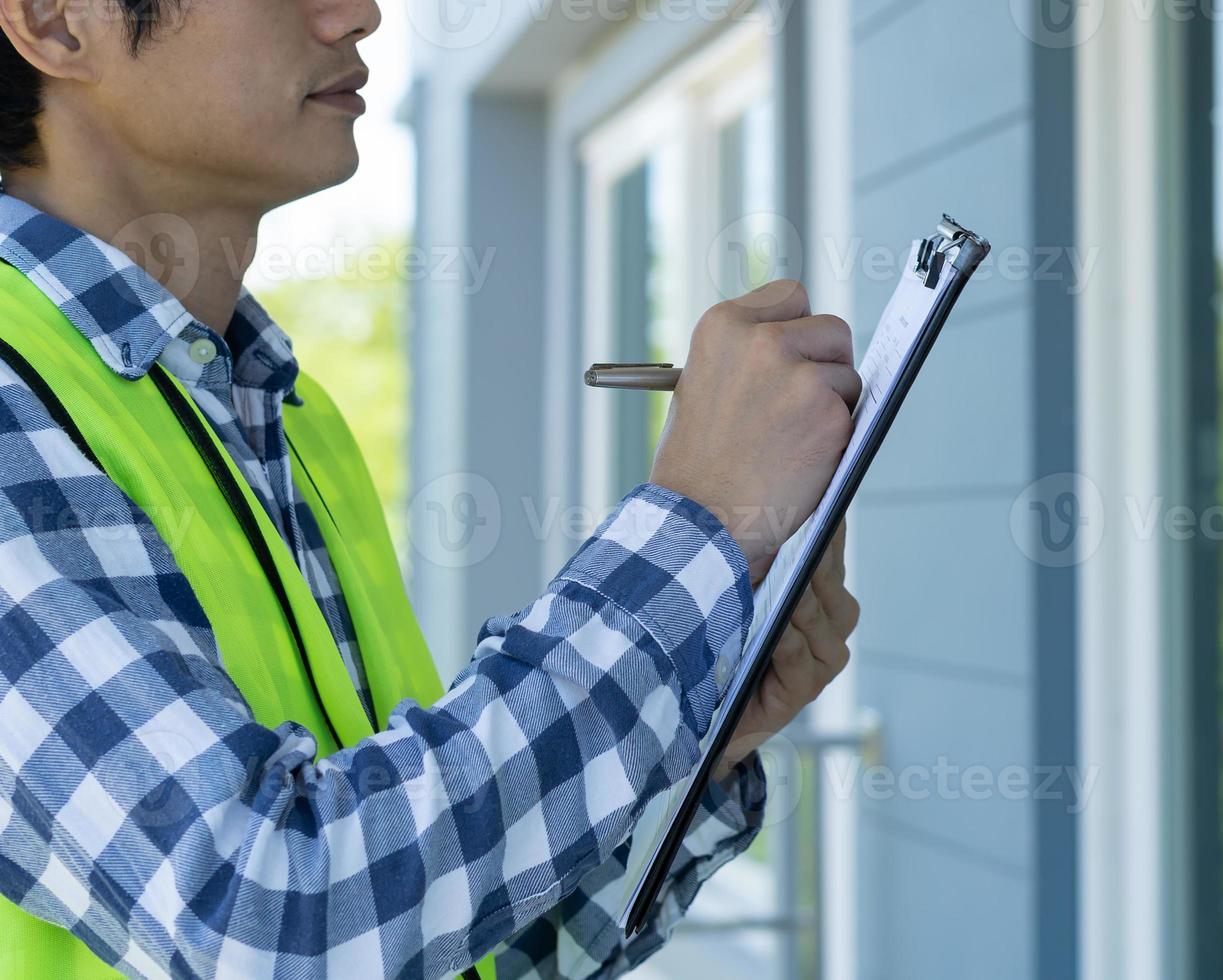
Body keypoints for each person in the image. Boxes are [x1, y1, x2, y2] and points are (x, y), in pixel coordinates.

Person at [0, 0, 862, 976]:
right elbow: (274, 920)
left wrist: (695, 732)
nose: (359, 15)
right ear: (57, 22)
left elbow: (441, 941)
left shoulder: (284, 412)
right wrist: (687, 536)